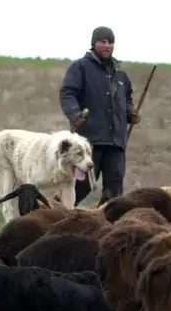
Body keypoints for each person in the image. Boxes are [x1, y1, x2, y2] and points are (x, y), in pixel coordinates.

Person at [59, 25, 141, 206]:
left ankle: (105, 225)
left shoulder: (121, 75)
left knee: (114, 191)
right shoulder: (80, 67)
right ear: (93, 43)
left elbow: (127, 100)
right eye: (103, 42)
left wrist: (130, 114)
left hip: (116, 143)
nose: (107, 46)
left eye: (111, 42)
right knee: (82, 186)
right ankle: (55, 214)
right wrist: (74, 114)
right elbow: (68, 93)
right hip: (89, 142)